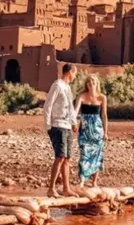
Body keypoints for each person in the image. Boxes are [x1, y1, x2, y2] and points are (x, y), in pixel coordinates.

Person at [43, 63, 78, 198]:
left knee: (67, 158)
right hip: (57, 125)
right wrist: (48, 126)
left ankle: (66, 188)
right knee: (60, 156)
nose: (75, 76)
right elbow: (48, 105)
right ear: (69, 72)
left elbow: (70, 108)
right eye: (75, 73)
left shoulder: (67, 87)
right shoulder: (57, 85)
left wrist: (74, 122)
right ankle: (51, 188)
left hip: (67, 126)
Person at [74, 74, 108, 187]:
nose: (91, 83)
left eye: (93, 81)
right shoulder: (81, 96)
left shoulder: (102, 97)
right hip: (84, 130)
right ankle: (82, 180)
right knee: (84, 154)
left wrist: (106, 132)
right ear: (86, 84)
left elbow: (104, 115)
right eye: (89, 81)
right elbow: (75, 111)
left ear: (97, 83)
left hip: (98, 130)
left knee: (97, 155)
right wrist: (73, 122)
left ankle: (94, 182)